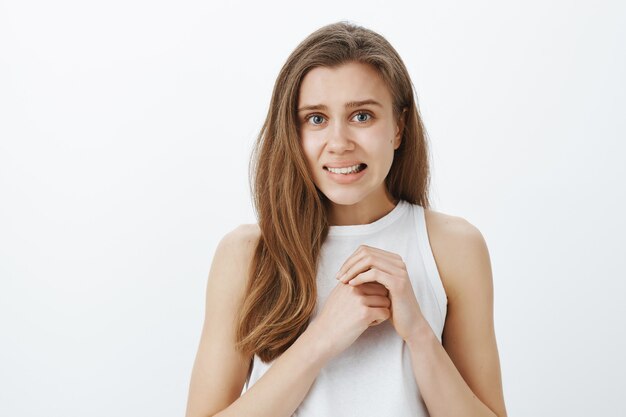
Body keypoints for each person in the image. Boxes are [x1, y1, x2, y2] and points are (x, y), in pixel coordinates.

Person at [185, 21, 507, 417]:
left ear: (398, 128)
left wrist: (419, 333)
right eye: (316, 119)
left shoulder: (453, 246)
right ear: (294, 131)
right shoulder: (248, 254)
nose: (339, 143)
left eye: (362, 116)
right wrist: (321, 338)